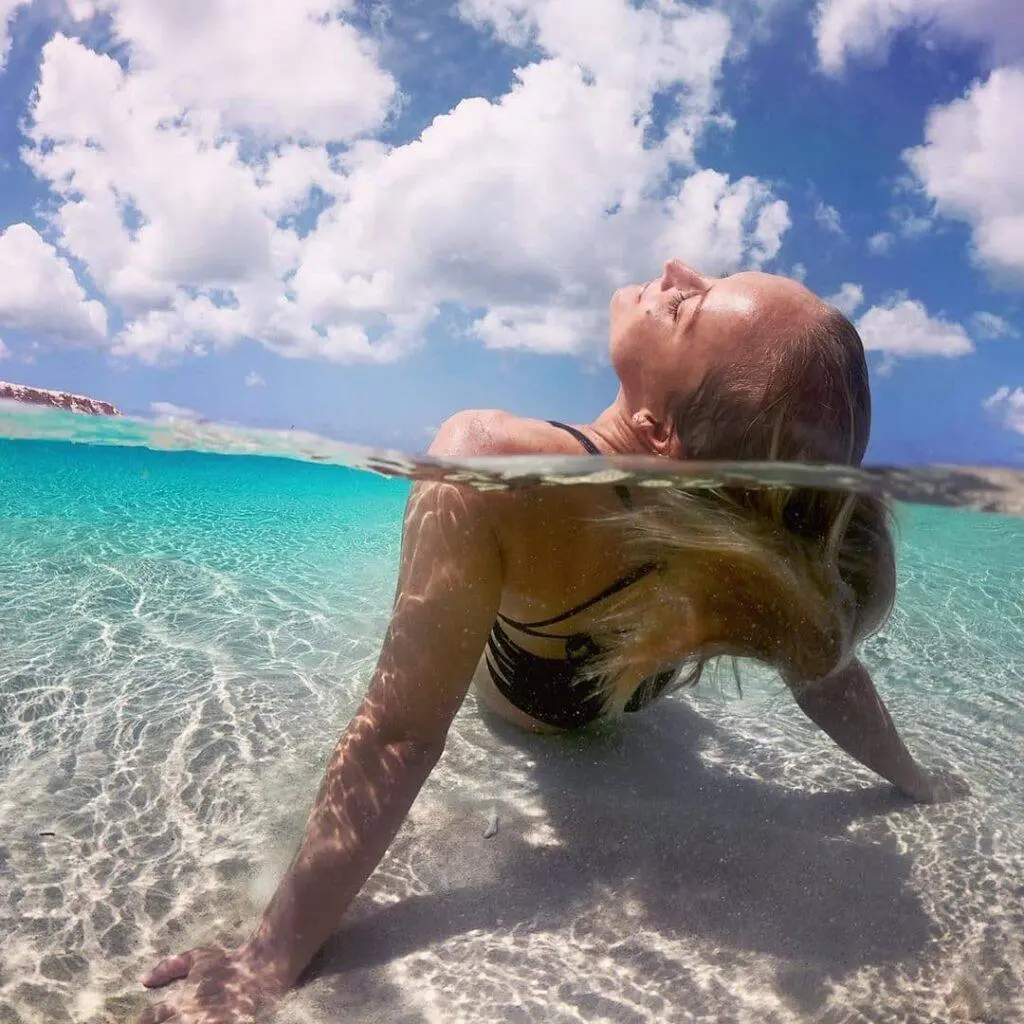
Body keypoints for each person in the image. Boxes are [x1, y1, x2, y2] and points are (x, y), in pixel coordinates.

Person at [137, 259, 966, 1024]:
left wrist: (267, 961)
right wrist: (915, 782)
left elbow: (400, 732)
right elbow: (828, 673)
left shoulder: (492, 463)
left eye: (693, 306)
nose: (677, 270)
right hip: (625, 710)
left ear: (660, 429)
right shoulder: (738, 538)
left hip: (524, 715)